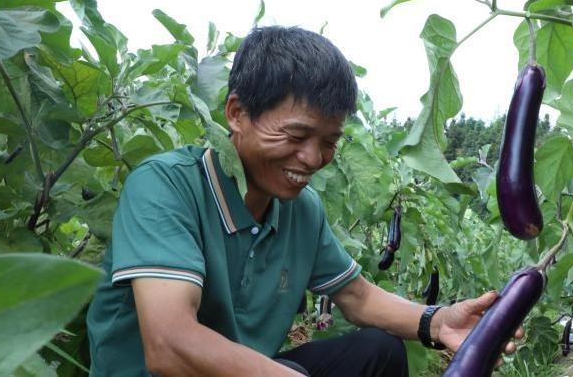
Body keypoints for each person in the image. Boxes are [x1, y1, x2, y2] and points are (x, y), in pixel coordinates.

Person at [86, 26, 521, 377]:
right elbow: (169, 345)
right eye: (295, 136)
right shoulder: (165, 186)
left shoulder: (300, 208)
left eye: (329, 141)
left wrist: (438, 322)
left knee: (378, 351)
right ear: (236, 113)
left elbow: (357, 297)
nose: (313, 158)